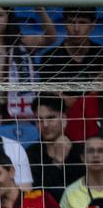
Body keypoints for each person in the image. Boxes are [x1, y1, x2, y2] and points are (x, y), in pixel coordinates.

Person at [0, 5, 55, 120]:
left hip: (13, 112)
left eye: (0, 15)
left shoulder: (22, 43)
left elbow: (50, 38)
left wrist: (39, 8)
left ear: (8, 18)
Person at [38, 7, 103, 143]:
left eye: (82, 22)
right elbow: (57, 103)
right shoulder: (49, 58)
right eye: (72, 22)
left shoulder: (101, 56)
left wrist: (69, 98)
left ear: (92, 25)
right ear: (64, 23)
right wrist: (91, 92)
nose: (76, 28)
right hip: (61, 132)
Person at [27, 95, 82, 204]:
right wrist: (57, 161)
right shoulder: (30, 154)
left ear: (64, 118)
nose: (45, 125)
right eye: (39, 120)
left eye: (50, 118)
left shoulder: (79, 151)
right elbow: (41, 196)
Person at [60, 136, 103, 208]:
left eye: (101, 151)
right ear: (83, 158)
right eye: (90, 151)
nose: (95, 155)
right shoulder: (70, 193)